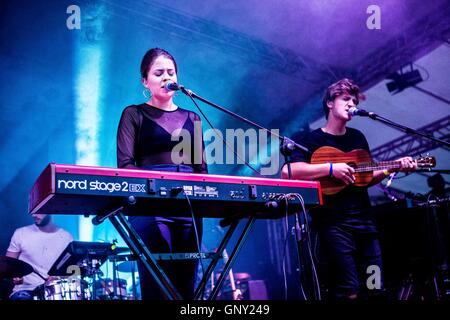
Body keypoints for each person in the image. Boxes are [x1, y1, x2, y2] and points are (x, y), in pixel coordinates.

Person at [282, 78, 417, 300]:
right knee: (349, 288)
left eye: (353, 100)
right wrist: (331, 168)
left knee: (375, 285)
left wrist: (391, 168)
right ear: (329, 103)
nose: (350, 103)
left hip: (365, 224)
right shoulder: (311, 139)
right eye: (345, 99)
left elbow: (364, 177)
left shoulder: (357, 137)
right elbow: (289, 172)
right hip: (334, 226)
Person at [117, 48, 207, 300]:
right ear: (145, 80)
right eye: (159, 73)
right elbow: (125, 165)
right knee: (158, 281)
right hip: (151, 202)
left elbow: (201, 169)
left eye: (171, 72)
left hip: (188, 204)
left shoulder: (192, 117)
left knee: (187, 283)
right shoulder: (134, 114)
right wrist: (154, 186)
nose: (166, 77)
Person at [5, 213, 73, 300]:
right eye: (33, 211)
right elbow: (7, 265)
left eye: (39, 211)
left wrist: (59, 278)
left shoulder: (67, 237)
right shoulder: (20, 233)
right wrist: (15, 276)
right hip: (26, 290)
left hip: (55, 291)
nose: (34, 215)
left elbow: (72, 271)